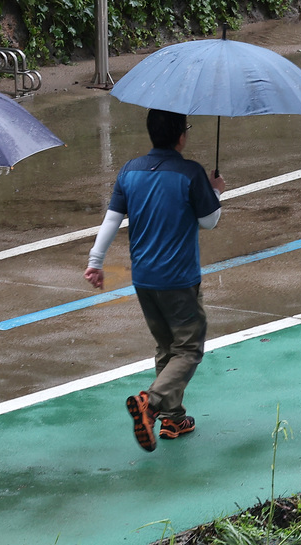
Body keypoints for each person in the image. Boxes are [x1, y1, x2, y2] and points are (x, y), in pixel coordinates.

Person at [84, 109, 225, 452]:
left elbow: (112, 219)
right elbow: (210, 221)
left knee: (167, 346)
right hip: (179, 278)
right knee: (189, 348)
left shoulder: (129, 171)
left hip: (144, 279)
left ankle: (173, 418)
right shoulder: (190, 173)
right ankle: (153, 401)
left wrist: (95, 262)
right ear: (181, 136)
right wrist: (215, 190)